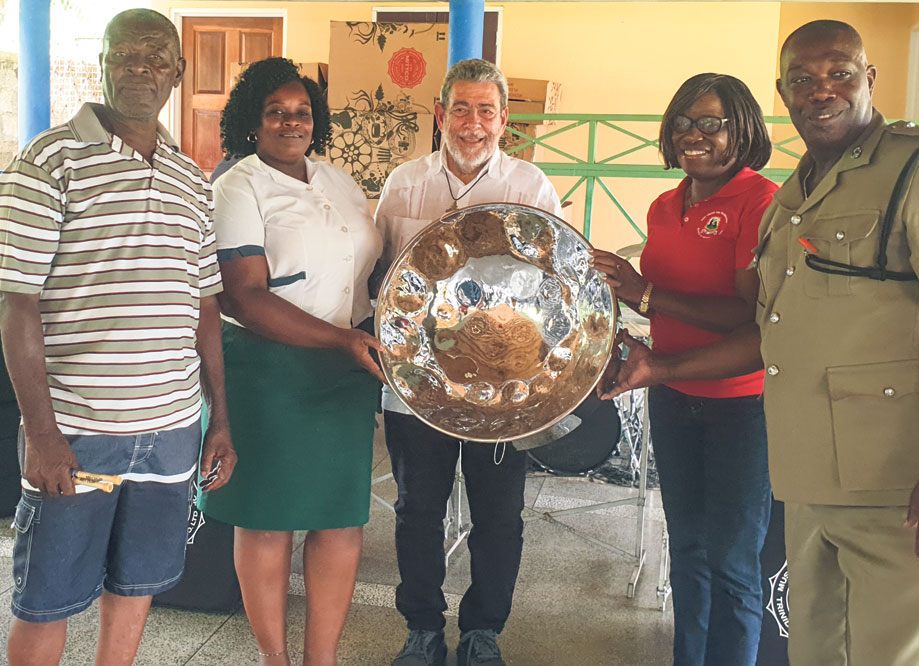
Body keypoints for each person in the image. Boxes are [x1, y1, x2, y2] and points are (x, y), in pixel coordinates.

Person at [603, 20, 919, 666]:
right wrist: (659, 363)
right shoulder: (797, 197)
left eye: (840, 73)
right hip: (811, 483)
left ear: (869, 78)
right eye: (802, 80)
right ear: (783, 94)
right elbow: (773, 334)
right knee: (812, 652)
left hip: (901, 485)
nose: (822, 91)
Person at [0, 9, 237, 666]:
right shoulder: (50, 160)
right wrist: (43, 436)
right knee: (48, 595)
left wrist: (217, 420)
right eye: (125, 55)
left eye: (156, 57)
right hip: (80, 435)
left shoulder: (192, 178)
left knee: (137, 587)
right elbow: (17, 304)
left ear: (177, 72)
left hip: (167, 437)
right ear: (101, 63)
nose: (140, 68)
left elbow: (206, 308)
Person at [197, 57, 385, 666]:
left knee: (340, 519)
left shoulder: (339, 181)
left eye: (303, 111)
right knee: (267, 518)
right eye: (276, 111)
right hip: (268, 370)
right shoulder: (237, 186)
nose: (291, 121)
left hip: (346, 369)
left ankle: (320, 659)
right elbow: (245, 298)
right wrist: (343, 342)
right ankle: (274, 658)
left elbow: (372, 267)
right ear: (253, 121)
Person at [374, 58, 561, 666]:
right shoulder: (404, 183)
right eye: (460, 108)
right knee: (417, 508)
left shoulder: (531, 187)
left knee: (499, 515)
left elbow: (557, 286)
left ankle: (483, 630)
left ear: (504, 119)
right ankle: (422, 626)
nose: (472, 124)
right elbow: (382, 276)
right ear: (440, 114)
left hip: (504, 384)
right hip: (420, 380)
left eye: (486, 111)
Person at [592, 73, 776, 666]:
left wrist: (647, 297)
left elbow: (756, 319)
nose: (693, 135)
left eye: (710, 123)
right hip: (670, 396)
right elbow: (656, 300)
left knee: (734, 565)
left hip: (742, 409)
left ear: (741, 128)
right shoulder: (665, 205)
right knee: (688, 552)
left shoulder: (761, 201)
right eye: (682, 123)